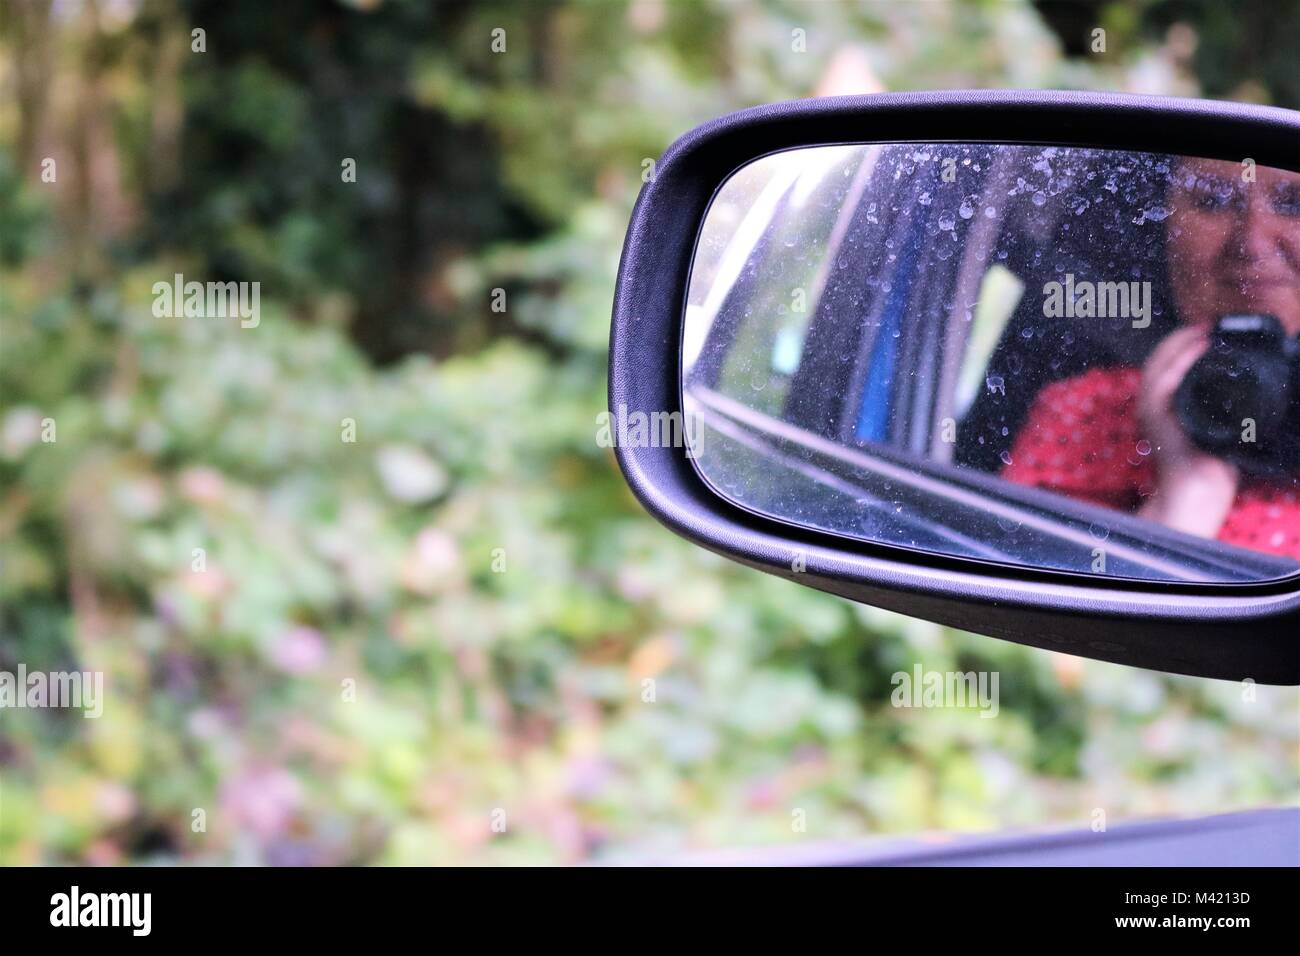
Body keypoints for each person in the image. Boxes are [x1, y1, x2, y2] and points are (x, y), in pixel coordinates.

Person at [1001, 157, 1300, 558]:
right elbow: (1050, 599)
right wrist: (1187, 495)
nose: (1251, 243)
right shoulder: (1088, 413)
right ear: (1166, 231)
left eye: (1292, 205)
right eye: (1212, 202)